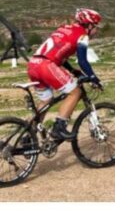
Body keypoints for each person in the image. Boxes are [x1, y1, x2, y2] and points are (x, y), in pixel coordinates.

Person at [27, 8, 102, 141]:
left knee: (46, 100)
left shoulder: (64, 28)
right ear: (89, 25)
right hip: (46, 65)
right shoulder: (82, 35)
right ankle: (59, 128)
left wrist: (73, 70)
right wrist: (93, 78)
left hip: (33, 64)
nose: (97, 31)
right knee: (76, 92)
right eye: (96, 27)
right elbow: (83, 61)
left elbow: (60, 53)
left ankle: (28, 135)